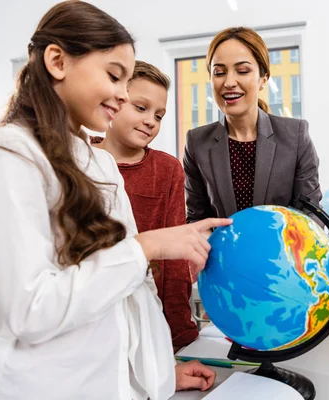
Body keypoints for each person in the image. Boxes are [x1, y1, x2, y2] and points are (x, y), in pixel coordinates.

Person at [0, 2, 230, 399]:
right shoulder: (8, 160)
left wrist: (160, 372)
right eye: (114, 75)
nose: (122, 95)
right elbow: (32, 309)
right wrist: (148, 245)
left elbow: (130, 296)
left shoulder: (98, 162)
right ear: (57, 61)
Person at [92, 61, 198, 351]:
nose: (151, 120)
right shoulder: (77, 158)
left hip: (148, 317)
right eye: (140, 108)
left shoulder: (167, 170)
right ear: (114, 103)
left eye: (159, 115)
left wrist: (179, 335)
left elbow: (174, 261)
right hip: (93, 318)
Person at [183, 27, 321, 223]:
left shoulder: (296, 135)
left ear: (263, 79)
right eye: (219, 72)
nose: (229, 82)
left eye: (242, 71)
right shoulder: (197, 143)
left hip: (281, 252)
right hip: (223, 253)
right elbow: (197, 220)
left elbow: (311, 216)